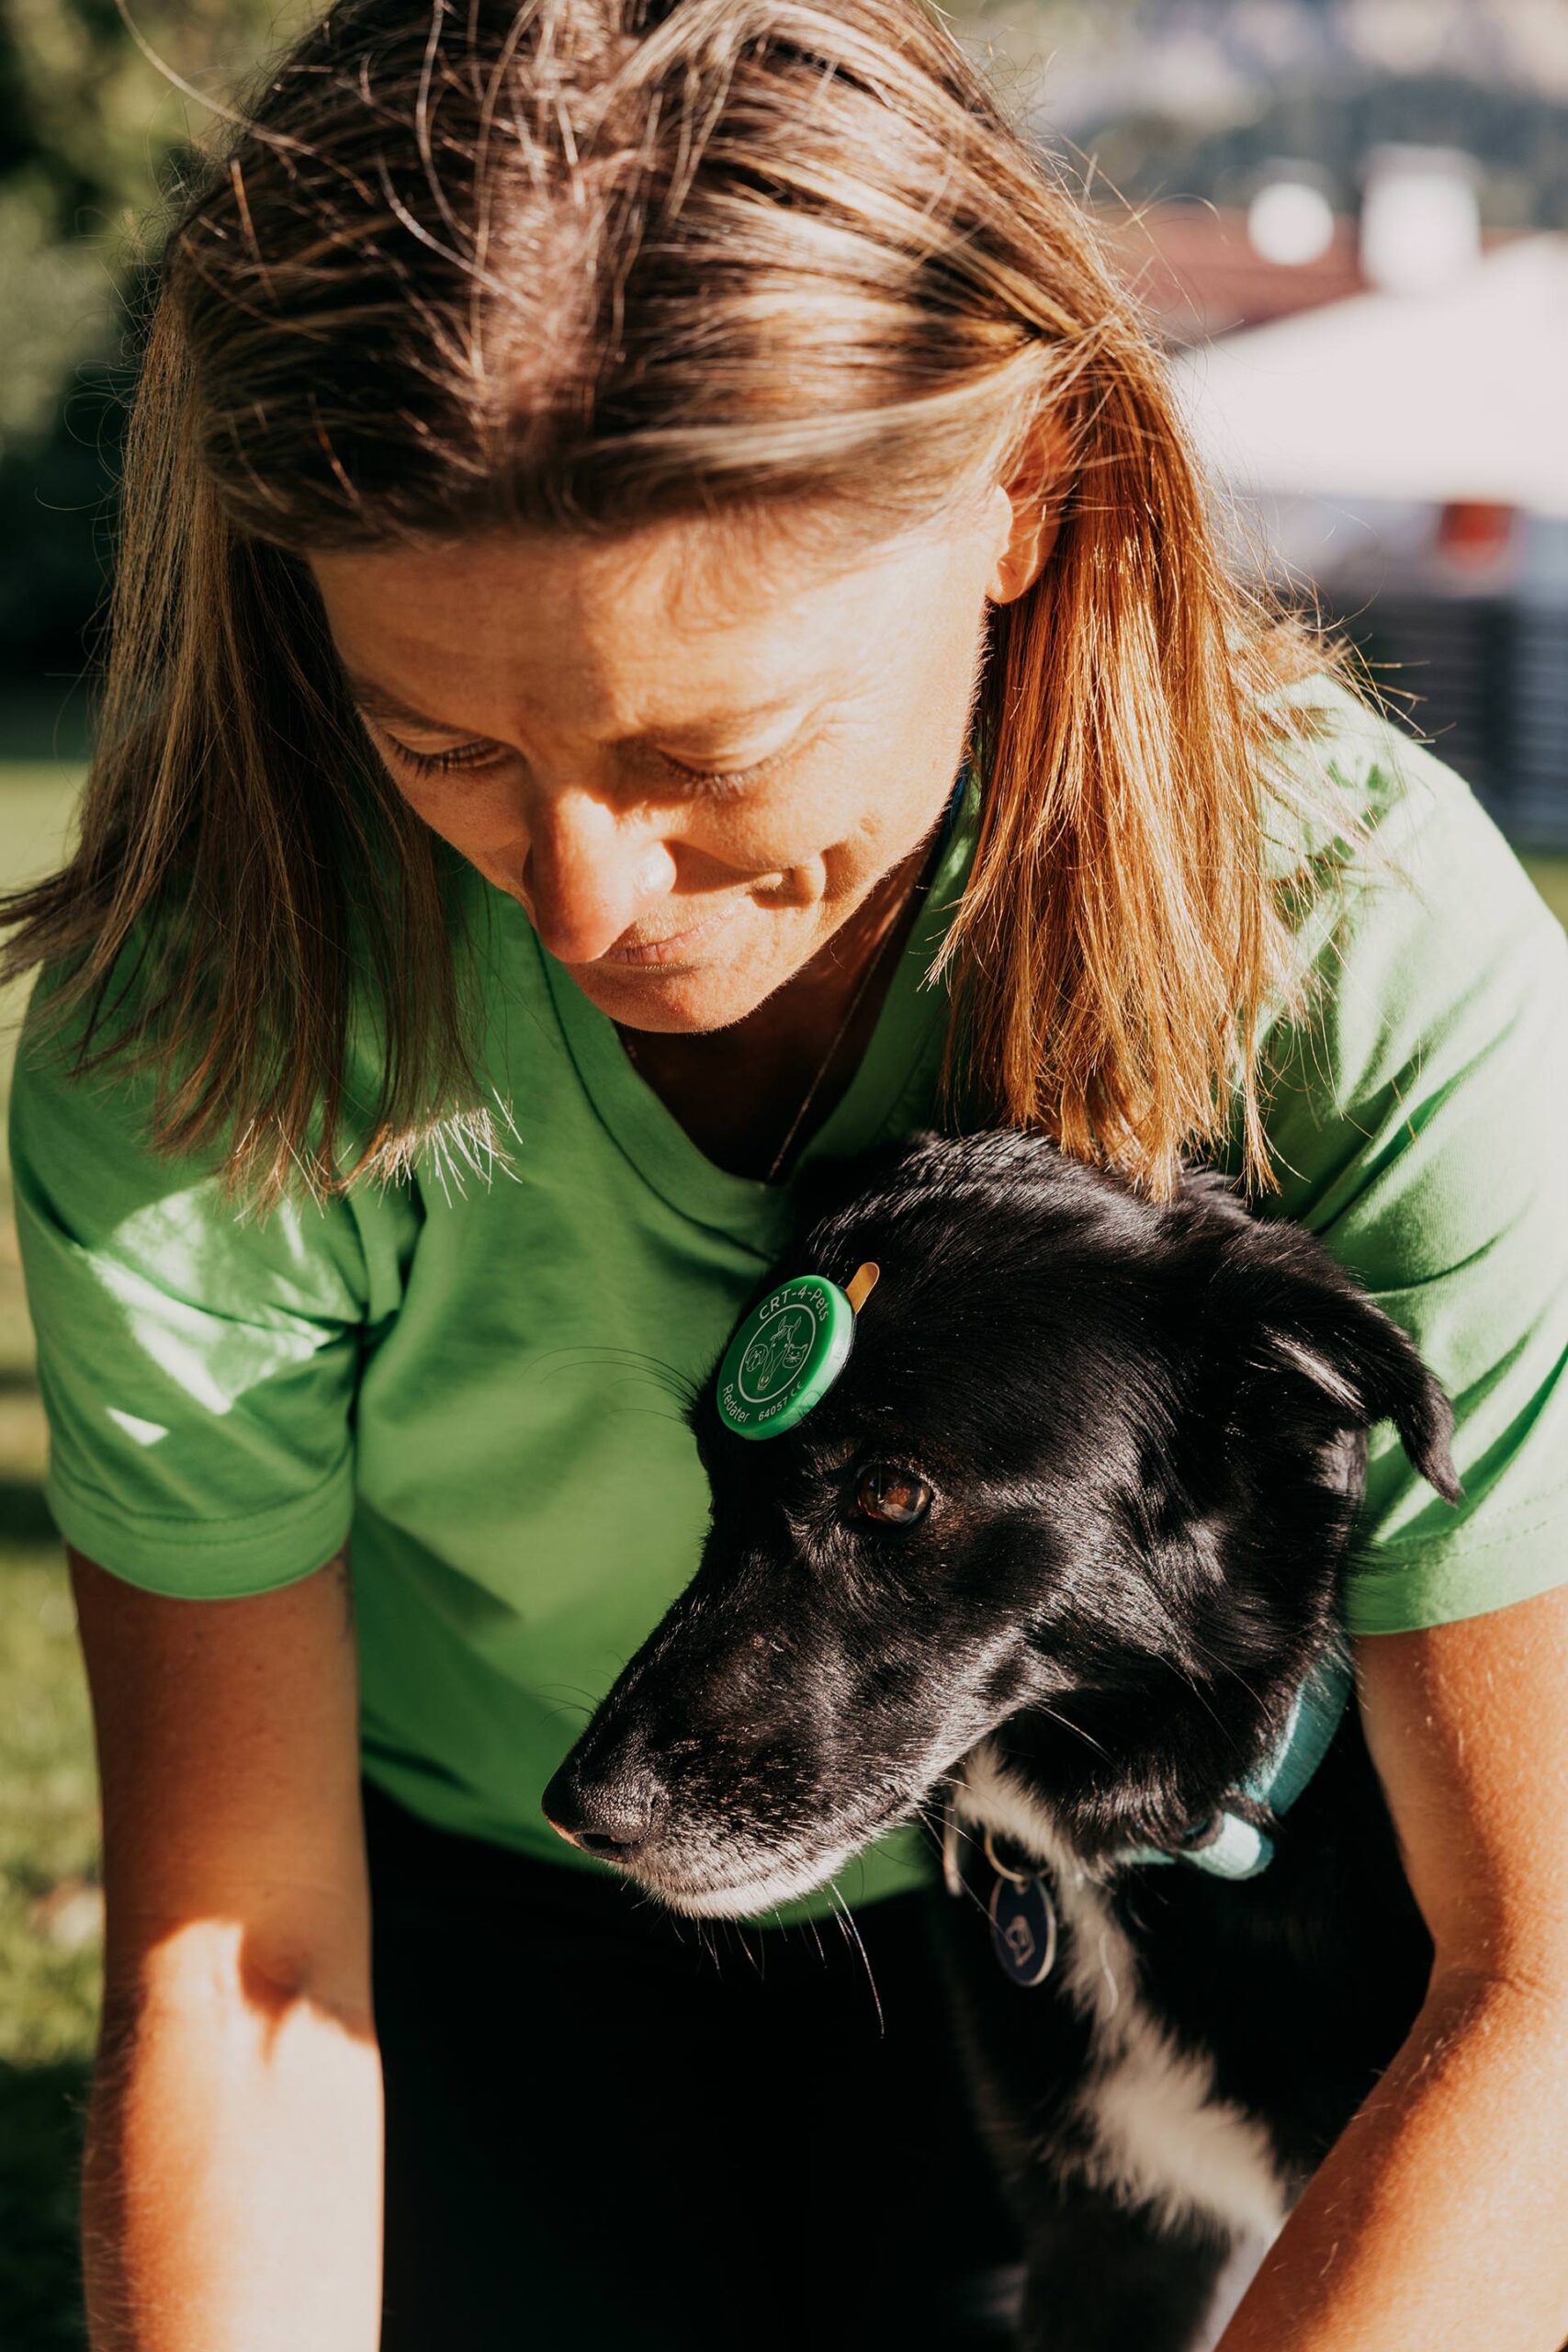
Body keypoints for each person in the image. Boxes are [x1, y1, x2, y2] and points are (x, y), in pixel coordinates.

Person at [5, 3, 1568, 2346]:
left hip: (1053, 1887)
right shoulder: (210, 1027)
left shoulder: (1359, 944)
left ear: (1034, 497)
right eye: (440, 739)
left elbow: (1536, 1979)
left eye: (699, 748)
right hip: (475, 1890)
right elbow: (248, 1968)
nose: (583, 899)